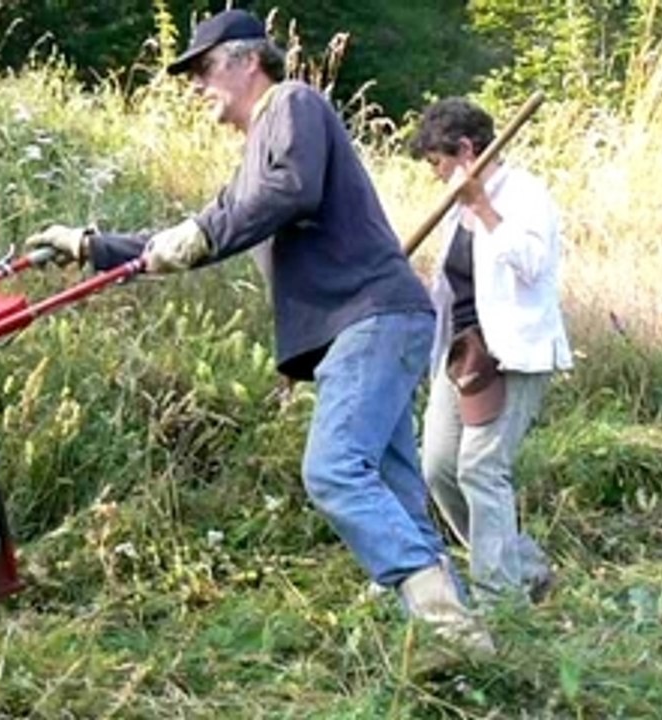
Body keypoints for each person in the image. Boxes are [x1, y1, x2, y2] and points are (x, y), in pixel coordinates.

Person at [26, 10, 493, 656]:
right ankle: (453, 645)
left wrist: (207, 234)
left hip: (372, 317)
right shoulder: (257, 157)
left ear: (248, 60)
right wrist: (90, 245)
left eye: (203, 67)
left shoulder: (293, 104)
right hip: (369, 325)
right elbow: (201, 228)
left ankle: (446, 628)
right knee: (390, 488)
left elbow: (290, 191)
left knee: (333, 470)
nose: (195, 84)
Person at [408, 97, 573, 604]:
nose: (435, 175)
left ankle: (500, 601)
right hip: (461, 357)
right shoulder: (457, 206)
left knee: (482, 467)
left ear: (463, 150)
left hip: (511, 353)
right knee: (438, 466)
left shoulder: (524, 194)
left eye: (437, 162)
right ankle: (524, 567)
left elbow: (531, 264)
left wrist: (482, 205)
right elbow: (453, 286)